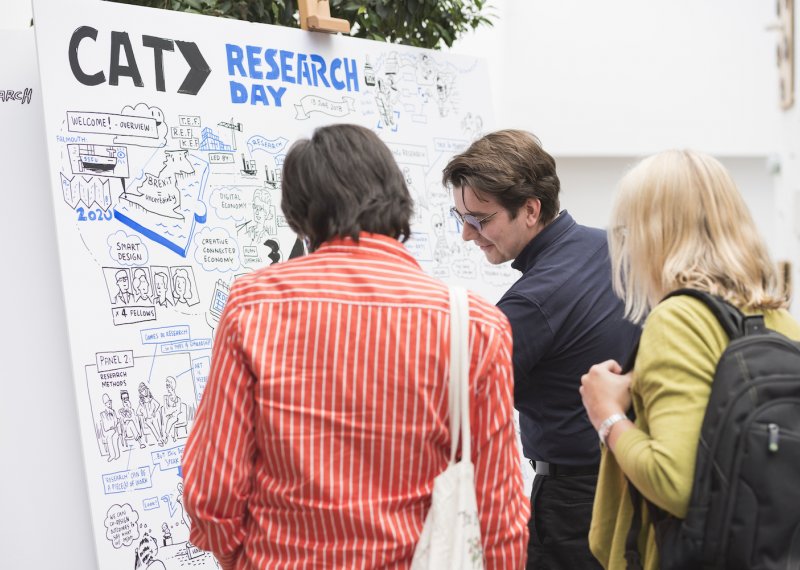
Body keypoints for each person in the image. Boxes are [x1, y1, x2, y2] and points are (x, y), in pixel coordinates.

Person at [182, 124, 529, 569]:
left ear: (298, 215)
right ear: (396, 198)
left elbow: (212, 490)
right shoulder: (475, 326)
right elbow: (499, 509)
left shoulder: (254, 305)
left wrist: (243, 558)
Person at [579, 149, 800, 569]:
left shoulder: (678, 319)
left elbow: (673, 482)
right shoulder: (780, 321)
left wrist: (606, 414)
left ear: (652, 233)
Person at [443, 129, 640, 569]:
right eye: (460, 218)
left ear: (530, 209)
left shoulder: (530, 303)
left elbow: (455, 404)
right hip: (638, 482)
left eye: (480, 220)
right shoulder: (619, 247)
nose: (467, 236)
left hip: (575, 505)